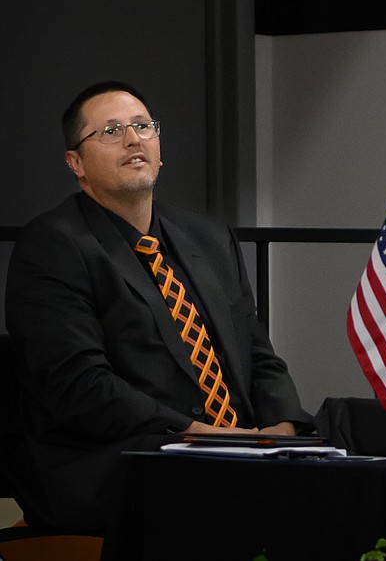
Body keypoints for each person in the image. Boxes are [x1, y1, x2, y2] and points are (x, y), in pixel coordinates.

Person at [4, 81, 312, 531]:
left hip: (236, 454)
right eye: (110, 131)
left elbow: (257, 354)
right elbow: (82, 388)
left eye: (143, 126)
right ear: (76, 164)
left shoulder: (208, 237)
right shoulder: (54, 246)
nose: (132, 139)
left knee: (347, 479)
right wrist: (203, 436)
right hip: (117, 464)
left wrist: (282, 430)